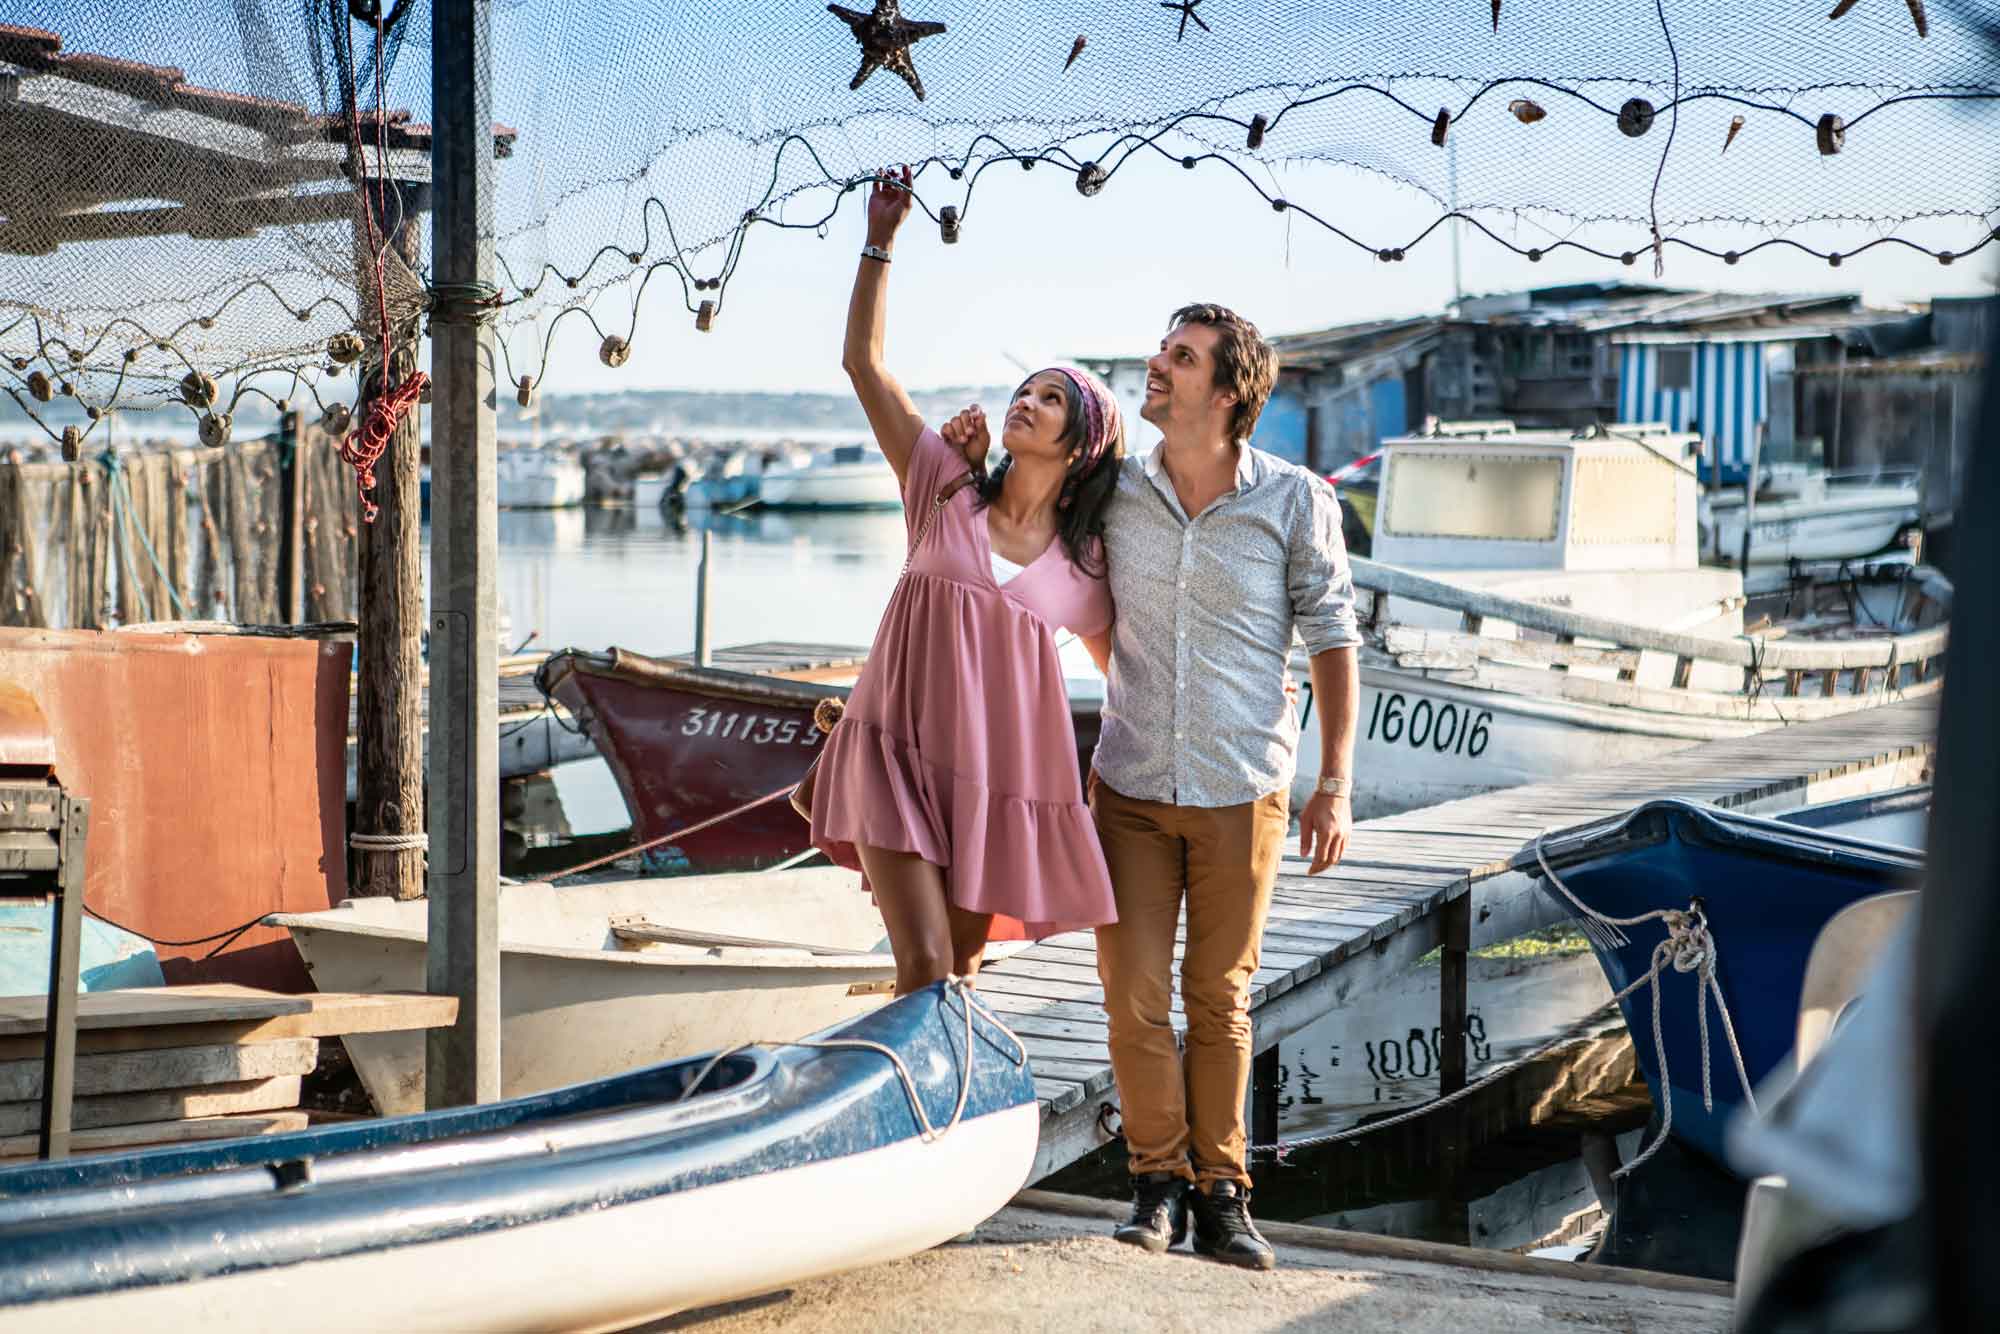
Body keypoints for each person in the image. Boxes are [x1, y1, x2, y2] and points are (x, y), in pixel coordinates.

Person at [807, 166, 1123, 994]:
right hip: (892, 755)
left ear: (1082, 441)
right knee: (922, 964)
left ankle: (949, 1111)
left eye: (1051, 399)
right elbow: (863, 366)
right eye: (1025, 389)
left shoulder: (1082, 571)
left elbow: (1125, 674)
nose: (1027, 400)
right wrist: (880, 240)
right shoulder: (942, 486)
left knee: (963, 970)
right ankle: (914, 1118)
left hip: (994, 783)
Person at [1091, 303, 1363, 1270]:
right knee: (1130, 995)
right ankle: (1153, 1186)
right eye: (1162, 350)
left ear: (1230, 390)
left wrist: (1334, 784)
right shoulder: (1114, 492)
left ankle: (1225, 1196)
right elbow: (1034, 543)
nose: (1156, 367)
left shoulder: (1293, 500)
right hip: (1127, 781)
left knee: (1218, 997)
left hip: (1242, 785)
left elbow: (1334, 638)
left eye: (1180, 358)